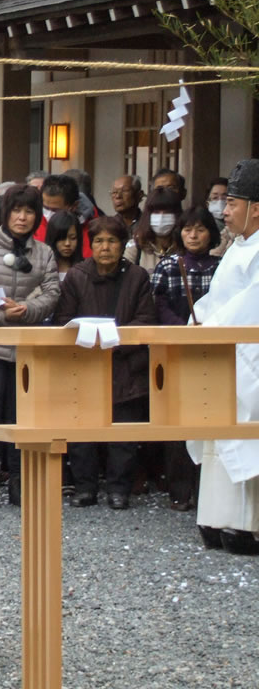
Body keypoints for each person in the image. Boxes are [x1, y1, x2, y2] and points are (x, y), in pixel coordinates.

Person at [0, 184, 60, 507]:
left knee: (23, 416)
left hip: (28, 348)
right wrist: (4, 317)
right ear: (5, 213)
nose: (22, 217)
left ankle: (20, 480)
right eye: (17, 210)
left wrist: (28, 311)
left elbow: (51, 292)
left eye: (29, 211)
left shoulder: (44, 253)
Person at [53, 215, 157, 509]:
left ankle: (119, 489)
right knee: (81, 429)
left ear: (122, 245)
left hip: (126, 361)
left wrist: (114, 340)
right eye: (99, 241)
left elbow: (146, 320)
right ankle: (85, 488)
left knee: (123, 430)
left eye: (112, 241)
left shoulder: (137, 276)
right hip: (84, 362)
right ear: (91, 245)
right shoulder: (76, 276)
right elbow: (63, 320)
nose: (105, 247)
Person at [187, 159, 259, 555]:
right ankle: (215, 518)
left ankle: (244, 525)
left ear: (256, 207)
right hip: (224, 351)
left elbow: (252, 304)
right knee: (218, 430)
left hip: (248, 354)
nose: (224, 211)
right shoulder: (238, 248)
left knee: (243, 432)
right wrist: (197, 321)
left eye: (232, 203)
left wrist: (213, 327)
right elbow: (218, 298)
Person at [151, 206, 221, 511]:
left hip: (213, 351)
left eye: (200, 229)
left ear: (212, 234)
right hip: (177, 348)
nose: (193, 235)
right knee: (177, 421)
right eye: (188, 229)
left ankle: (207, 487)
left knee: (211, 417)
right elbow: (158, 303)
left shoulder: (222, 266)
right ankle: (179, 490)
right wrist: (184, 328)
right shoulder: (168, 265)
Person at [124, 186, 182, 274]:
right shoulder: (135, 247)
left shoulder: (184, 248)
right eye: (156, 212)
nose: (161, 217)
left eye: (167, 212)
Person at [37, 174, 91, 258]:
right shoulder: (33, 227)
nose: (48, 214)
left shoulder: (91, 233)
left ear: (74, 206)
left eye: (56, 210)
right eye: (45, 208)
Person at [44, 210, 83, 280]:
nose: (67, 243)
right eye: (62, 238)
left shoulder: (87, 270)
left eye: (73, 238)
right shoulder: (42, 270)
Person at [206, 176, 235, 256]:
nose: (220, 201)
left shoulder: (239, 227)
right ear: (207, 203)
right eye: (215, 197)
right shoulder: (204, 226)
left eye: (224, 198)